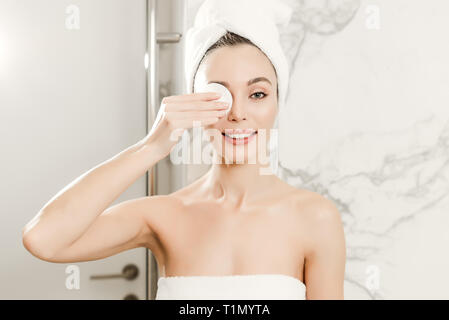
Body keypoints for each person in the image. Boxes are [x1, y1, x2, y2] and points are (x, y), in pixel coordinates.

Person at [22, 28, 345, 301]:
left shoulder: (314, 217)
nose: (237, 114)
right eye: (218, 97)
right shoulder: (162, 215)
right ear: (192, 104)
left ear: (277, 102)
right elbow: (43, 239)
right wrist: (151, 147)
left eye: (257, 94)